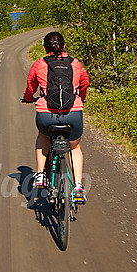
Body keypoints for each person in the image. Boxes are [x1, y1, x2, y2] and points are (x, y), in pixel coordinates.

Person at [23, 31, 89, 203]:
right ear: (64, 45)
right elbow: (85, 82)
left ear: (45, 47)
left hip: (47, 116)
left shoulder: (39, 64)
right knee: (74, 147)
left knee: (43, 136)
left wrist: (29, 98)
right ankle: (78, 186)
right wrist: (81, 97)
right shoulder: (76, 64)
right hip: (72, 114)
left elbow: (31, 86)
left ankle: (39, 176)